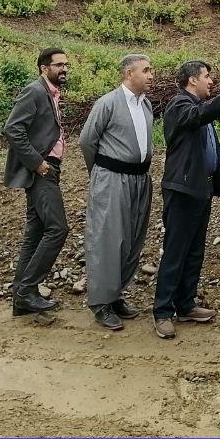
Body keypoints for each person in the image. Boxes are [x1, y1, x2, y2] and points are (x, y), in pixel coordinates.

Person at [152, 61, 220, 340]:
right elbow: (198, 116)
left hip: (200, 189)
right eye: (206, 76)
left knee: (195, 250)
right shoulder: (180, 105)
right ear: (191, 80)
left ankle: (185, 305)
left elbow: (203, 117)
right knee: (175, 251)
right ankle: (162, 312)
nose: (211, 81)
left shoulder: (197, 107)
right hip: (182, 190)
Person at [79, 54, 155, 331]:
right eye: (145, 70)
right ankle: (100, 302)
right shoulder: (108, 103)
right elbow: (88, 140)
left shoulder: (145, 104)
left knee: (132, 238)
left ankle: (116, 294)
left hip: (139, 179)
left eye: (151, 70)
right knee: (108, 238)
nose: (151, 75)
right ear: (128, 73)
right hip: (112, 178)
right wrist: (101, 173)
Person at [3, 47, 71, 317]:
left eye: (66, 65)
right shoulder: (35, 91)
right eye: (59, 65)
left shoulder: (52, 93)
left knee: (35, 234)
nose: (64, 69)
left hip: (48, 169)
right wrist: (38, 163)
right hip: (42, 171)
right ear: (44, 68)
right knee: (58, 229)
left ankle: (21, 298)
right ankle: (27, 291)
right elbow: (13, 129)